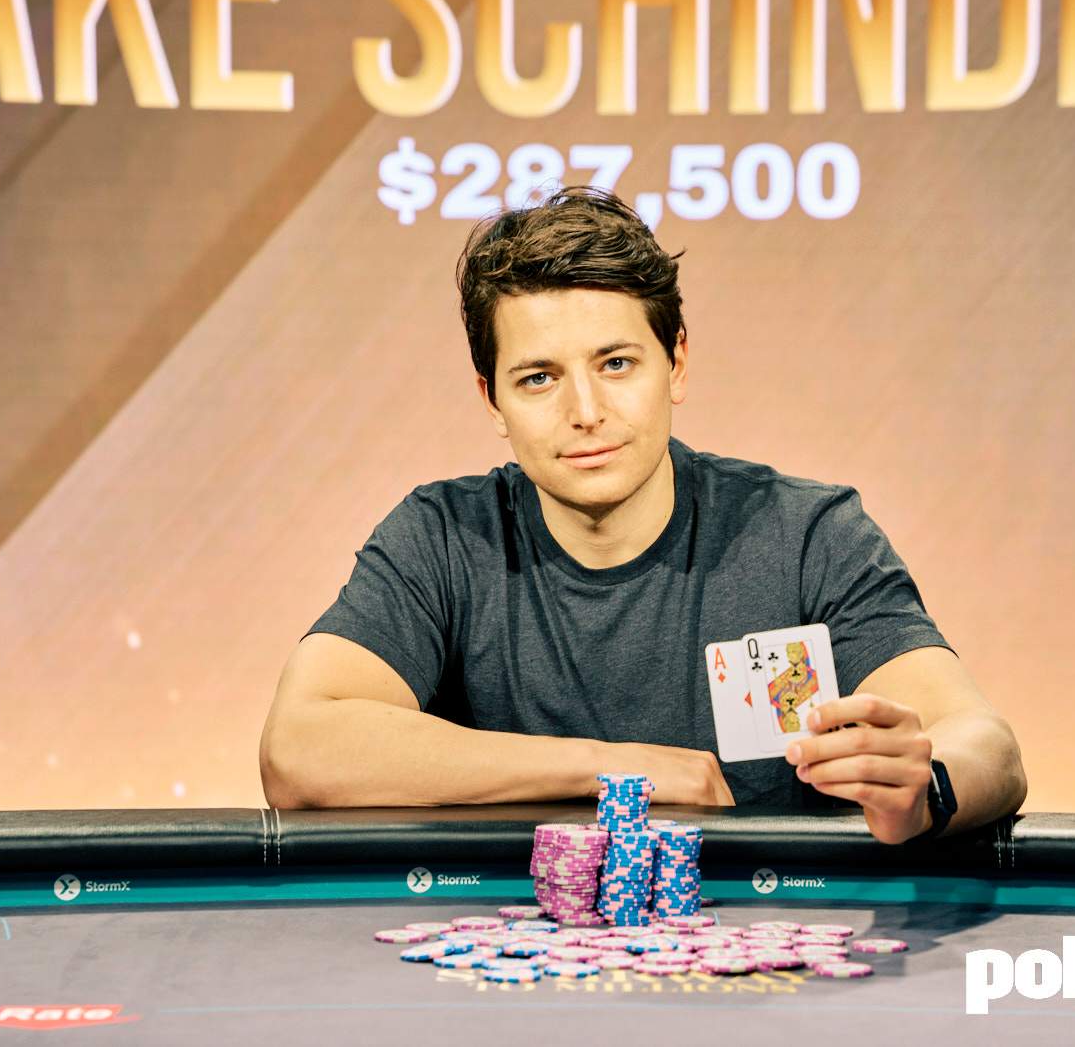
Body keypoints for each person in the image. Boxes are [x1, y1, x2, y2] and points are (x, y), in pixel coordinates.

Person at [260, 187, 1027, 844]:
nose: (585, 411)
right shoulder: (443, 538)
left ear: (677, 363)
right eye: (538, 378)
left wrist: (925, 788)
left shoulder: (803, 535)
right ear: (492, 400)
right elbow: (299, 749)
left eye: (617, 363)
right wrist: (621, 771)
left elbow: (988, 746)